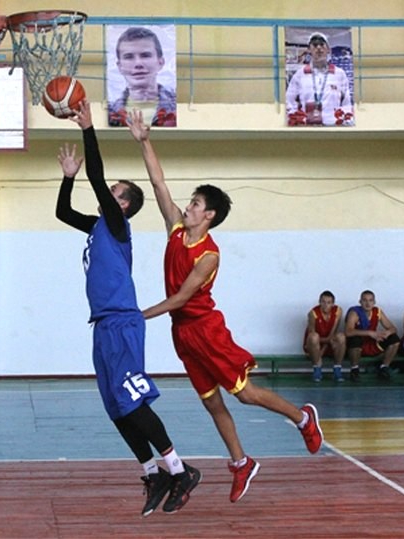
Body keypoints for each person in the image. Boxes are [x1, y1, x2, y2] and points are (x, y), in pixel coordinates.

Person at [128, 109, 323, 504]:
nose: (188, 206)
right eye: (191, 201)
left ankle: (303, 417)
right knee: (211, 402)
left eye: (196, 203)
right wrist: (144, 141)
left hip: (206, 330)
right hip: (183, 334)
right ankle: (241, 462)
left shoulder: (209, 255)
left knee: (244, 394)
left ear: (209, 215)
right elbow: (158, 182)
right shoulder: (176, 230)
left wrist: (138, 315)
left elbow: (182, 298)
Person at [55, 100, 199, 516]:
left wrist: (88, 128)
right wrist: (67, 178)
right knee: (116, 407)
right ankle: (153, 473)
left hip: (121, 322)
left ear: (122, 205)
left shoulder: (118, 226)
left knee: (133, 402)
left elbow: (97, 177)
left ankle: (180, 470)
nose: (108, 194)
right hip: (103, 325)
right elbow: (63, 212)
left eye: (115, 193)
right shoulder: (99, 225)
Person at [108, 26, 176, 127]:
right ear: (119, 66)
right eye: (129, 57)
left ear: (161, 62)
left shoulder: (177, 107)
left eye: (145, 55)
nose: (138, 64)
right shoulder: (111, 113)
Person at [286, 32, 353, 127]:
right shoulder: (300, 75)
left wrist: (342, 121)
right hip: (307, 128)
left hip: (333, 128)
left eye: (322, 44)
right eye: (314, 45)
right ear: (309, 50)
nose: (318, 48)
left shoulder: (339, 74)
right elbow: (289, 101)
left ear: (328, 49)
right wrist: (298, 119)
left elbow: (346, 104)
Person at [344, 290, 400, 382]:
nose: (368, 303)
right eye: (365, 300)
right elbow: (348, 332)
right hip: (357, 345)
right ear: (360, 302)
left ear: (374, 302)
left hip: (373, 342)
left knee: (394, 338)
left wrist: (387, 333)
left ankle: (384, 367)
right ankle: (354, 369)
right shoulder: (354, 313)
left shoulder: (377, 312)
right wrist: (369, 333)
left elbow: (393, 328)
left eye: (370, 300)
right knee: (355, 339)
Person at [304, 290, 346, 382]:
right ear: (319, 302)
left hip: (329, 342)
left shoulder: (338, 311)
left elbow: (333, 333)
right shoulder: (313, 313)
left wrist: (323, 349)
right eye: (323, 302)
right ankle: (317, 368)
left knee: (341, 337)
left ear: (333, 304)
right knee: (314, 337)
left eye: (329, 302)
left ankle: (337, 368)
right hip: (316, 343)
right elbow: (311, 334)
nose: (326, 305)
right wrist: (321, 349)